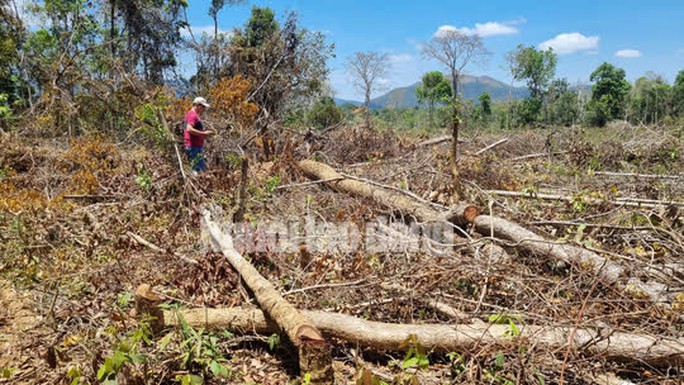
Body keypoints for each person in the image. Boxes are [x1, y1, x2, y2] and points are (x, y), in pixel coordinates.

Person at [183, 97, 214, 173]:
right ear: (196, 104)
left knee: (201, 170)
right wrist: (204, 134)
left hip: (196, 147)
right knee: (196, 171)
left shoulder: (192, 114)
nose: (203, 109)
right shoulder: (192, 115)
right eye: (202, 106)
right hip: (193, 147)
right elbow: (189, 129)